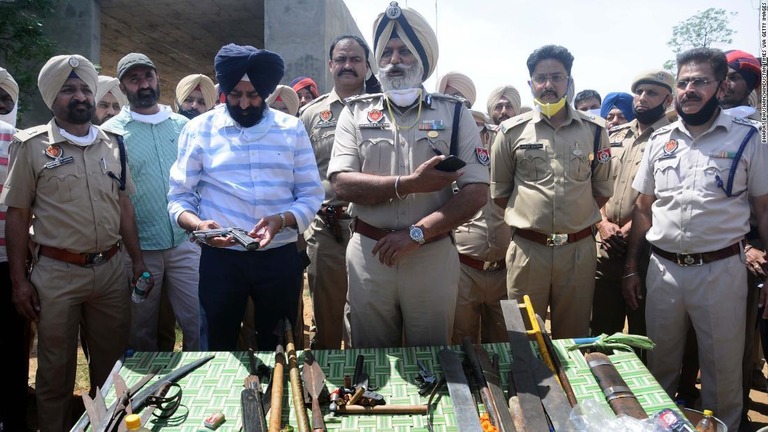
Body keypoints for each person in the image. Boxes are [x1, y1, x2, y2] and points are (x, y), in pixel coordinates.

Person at [622, 47, 768, 432]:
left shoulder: (749, 139)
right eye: (684, 82)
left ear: (720, 88)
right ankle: (661, 426)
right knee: (661, 366)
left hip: (721, 271)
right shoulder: (660, 140)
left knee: (721, 371)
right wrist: (632, 267)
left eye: (701, 81)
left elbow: (764, 210)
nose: (690, 89)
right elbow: (643, 207)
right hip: (663, 270)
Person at [1, 54, 150, 432]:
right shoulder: (30, 145)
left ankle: (111, 427)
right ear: (53, 98)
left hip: (112, 272)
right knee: (55, 372)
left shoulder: (114, 144)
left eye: (85, 88)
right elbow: (17, 215)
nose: (80, 96)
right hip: (57, 275)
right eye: (68, 89)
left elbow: (124, 206)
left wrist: (137, 260)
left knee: (113, 368)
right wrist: (18, 282)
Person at [328, 1, 488, 348]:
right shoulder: (355, 113)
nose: (394, 60)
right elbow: (341, 182)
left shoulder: (455, 113)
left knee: (431, 359)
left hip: (430, 254)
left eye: (404, 51)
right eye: (386, 52)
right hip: (370, 254)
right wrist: (409, 184)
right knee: (372, 360)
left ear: (423, 59)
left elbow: (476, 191)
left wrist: (417, 233)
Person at [168, 43, 323, 351]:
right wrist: (199, 226)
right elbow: (179, 198)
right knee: (215, 345)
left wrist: (281, 220)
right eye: (234, 95)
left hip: (278, 258)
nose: (243, 103)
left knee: (280, 345)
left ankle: (275, 398)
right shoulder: (200, 129)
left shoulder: (291, 129)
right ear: (224, 92)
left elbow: (310, 194)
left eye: (252, 95)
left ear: (265, 93)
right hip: (220, 260)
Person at [490, 44, 612, 339]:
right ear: (530, 83)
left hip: (578, 252)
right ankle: (530, 387)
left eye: (557, 77)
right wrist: (536, 219)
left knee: (574, 336)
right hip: (528, 251)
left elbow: (601, 189)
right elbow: (500, 193)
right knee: (522, 336)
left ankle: (570, 386)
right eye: (541, 78)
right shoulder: (510, 132)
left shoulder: (595, 130)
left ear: (569, 82)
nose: (548, 85)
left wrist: (571, 220)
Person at [102, 53, 201, 352]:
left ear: (158, 79)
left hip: (187, 243)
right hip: (139, 250)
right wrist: (134, 256)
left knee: (197, 320)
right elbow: (115, 196)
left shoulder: (183, 126)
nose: (143, 84)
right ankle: (146, 394)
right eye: (134, 79)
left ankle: (201, 386)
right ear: (123, 87)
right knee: (140, 327)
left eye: (148, 77)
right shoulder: (112, 133)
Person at [591, 69, 674, 344]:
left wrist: (629, 229)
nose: (642, 98)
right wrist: (602, 222)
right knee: (602, 333)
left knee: (642, 336)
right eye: (639, 92)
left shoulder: (674, 139)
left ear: (668, 100)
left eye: (652, 93)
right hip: (605, 248)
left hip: (647, 253)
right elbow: (594, 182)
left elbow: (669, 195)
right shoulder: (612, 135)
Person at [299, 34, 372, 349]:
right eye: (341, 59)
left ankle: (366, 378)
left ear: (367, 66)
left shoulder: (382, 109)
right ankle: (327, 389)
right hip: (327, 229)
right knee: (327, 319)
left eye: (355, 59)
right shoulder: (312, 115)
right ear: (330, 65)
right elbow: (298, 175)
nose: (347, 65)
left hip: (372, 229)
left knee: (369, 316)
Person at [451, 103, 511, 344]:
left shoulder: (505, 165)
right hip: (464, 269)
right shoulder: (450, 166)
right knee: (462, 340)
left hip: (504, 271)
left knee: (505, 340)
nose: (476, 136)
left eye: (481, 130)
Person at [0, 67, 29, 432]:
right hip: (14, 262)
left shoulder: (19, 139)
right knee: (11, 347)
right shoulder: (19, 138)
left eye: (5, 98)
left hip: (10, 259)